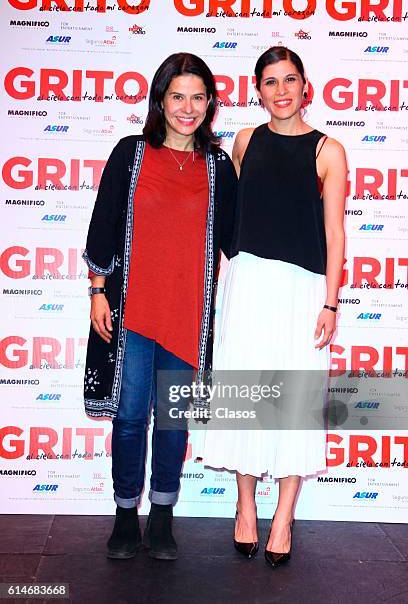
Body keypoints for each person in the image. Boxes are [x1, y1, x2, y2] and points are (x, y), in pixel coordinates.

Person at [82, 52, 237, 561]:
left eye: (197, 97)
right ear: (161, 100)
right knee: (129, 417)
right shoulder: (130, 153)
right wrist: (97, 290)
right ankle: (126, 514)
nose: (187, 107)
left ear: (210, 103)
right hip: (132, 313)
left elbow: (238, 239)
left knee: (172, 421)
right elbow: (104, 221)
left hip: (188, 314)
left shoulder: (216, 166)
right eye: (177, 96)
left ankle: (163, 516)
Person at [202, 46, 347, 567]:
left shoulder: (329, 150)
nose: (281, 91)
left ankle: (283, 515)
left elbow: (334, 232)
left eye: (290, 80)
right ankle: (245, 509)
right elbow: (232, 214)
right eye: (270, 82)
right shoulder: (244, 141)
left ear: (306, 86)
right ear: (257, 89)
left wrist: (330, 303)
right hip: (249, 282)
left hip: (302, 289)